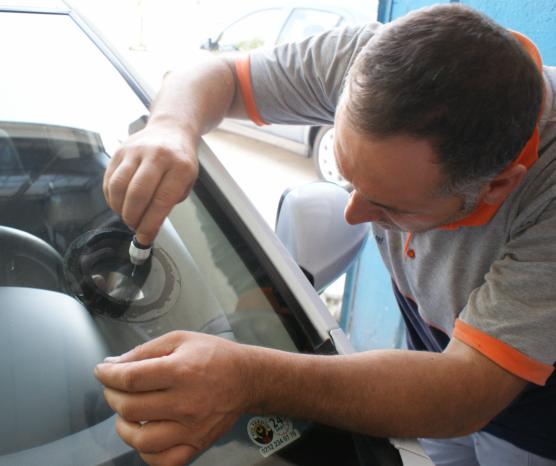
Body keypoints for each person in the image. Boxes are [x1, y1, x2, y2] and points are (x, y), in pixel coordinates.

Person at [95, 4, 556, 465]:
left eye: (391, 206)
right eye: (347, 175)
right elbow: (219, 74)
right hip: (438, 361)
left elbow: (465, 392)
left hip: (531, 416)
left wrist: (248, 379)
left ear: (498, 186)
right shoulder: (377, 68)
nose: (352, 214)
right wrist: (171, 126)